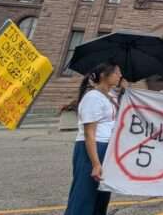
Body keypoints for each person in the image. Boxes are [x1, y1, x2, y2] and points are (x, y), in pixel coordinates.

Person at [64, 62, 122, 215]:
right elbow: (89, 133)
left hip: (106, 148)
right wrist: (96, 164)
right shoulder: (92, 98)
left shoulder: (111, 96)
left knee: (101, 195)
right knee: (84, 194)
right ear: (104, 75)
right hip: (92, 149)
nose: (120, 76)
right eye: (117, 73)